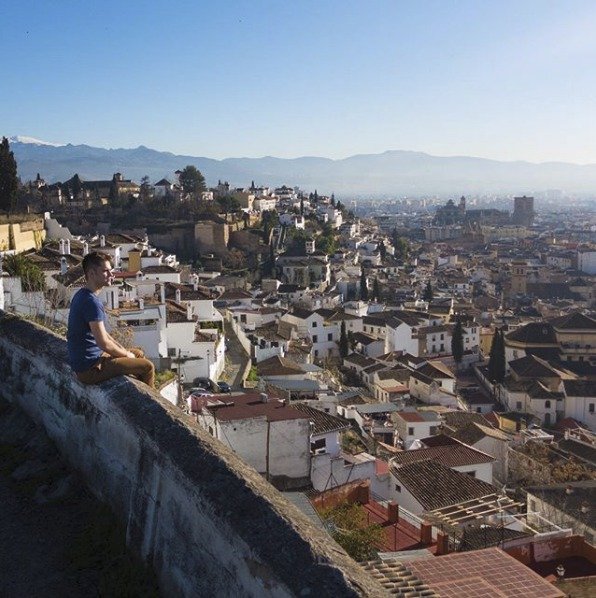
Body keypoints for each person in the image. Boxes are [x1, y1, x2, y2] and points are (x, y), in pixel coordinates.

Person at [67, 251, 155, 387]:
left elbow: (106, 336)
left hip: (91, 359)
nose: (111, 275)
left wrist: (125, 352)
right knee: (148, 367)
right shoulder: (91, 302)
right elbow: (104, 344)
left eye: (111, 271)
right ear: (91, 274)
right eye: (106, 271)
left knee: (138, 353)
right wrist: (126, 354)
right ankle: (152, 405)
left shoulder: (82, 295)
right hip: (90, 369)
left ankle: (137, 383)